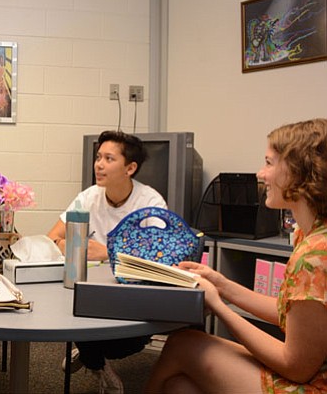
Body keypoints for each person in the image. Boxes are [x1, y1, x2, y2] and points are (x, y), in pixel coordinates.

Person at [146, 118, 327, 394]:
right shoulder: (311, 236)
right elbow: (288, 316)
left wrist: (217, 304)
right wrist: (221, 283)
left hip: (312, 385)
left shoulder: (314, 256)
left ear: (299, 172)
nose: (260, 174)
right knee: (178, 387)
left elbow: (296, 367)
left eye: (269, 163)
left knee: (182, 343)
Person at [47, 130, 167, 394]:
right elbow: (52, 238)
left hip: (130, 293)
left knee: (125, 342)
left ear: (130, 168)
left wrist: (109, 252)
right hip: (91, 290)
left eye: (109, 158)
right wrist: (66, 244)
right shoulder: (89, 197)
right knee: (72, 306)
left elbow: (158, 259)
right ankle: (97, 362)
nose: (99, 164)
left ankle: (91, 353)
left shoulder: (150, 203)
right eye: (98, 157)